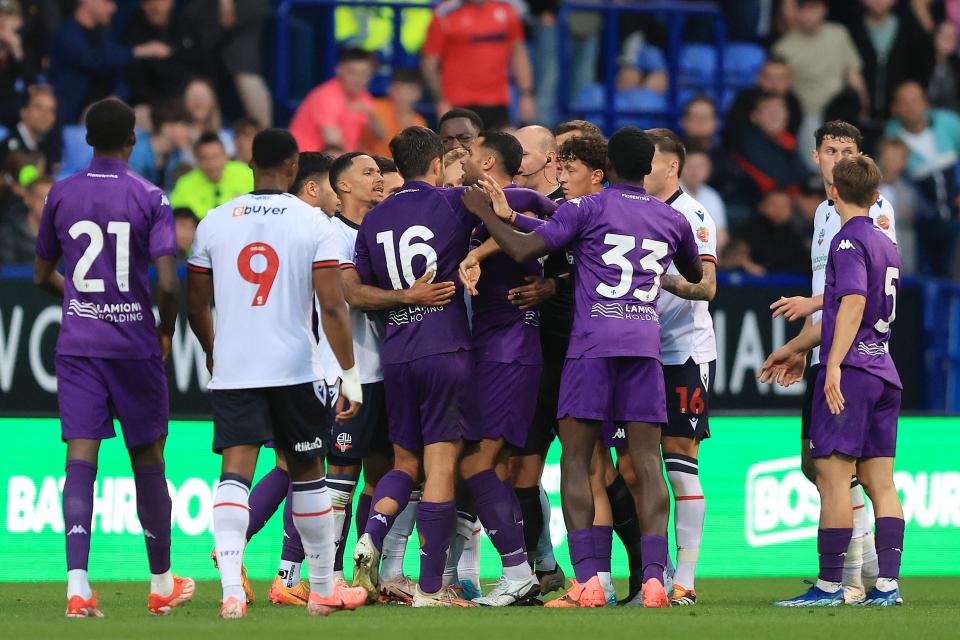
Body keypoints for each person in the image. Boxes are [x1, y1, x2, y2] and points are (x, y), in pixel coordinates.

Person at [461, 126, 703, 609]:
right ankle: (656, 580)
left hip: (592, 345)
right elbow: (694, 273)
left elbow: (528, 249)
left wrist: (486, 213)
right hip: (644, 346)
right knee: (647, 462)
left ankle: (589, 581)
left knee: (576, 458)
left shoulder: (588, 208)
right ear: (648, 167)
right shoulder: (671, 218)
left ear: (607, 168)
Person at [186, 128, 367, 619]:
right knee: (308, 474)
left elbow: (196, 305)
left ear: (250, 164)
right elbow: (332, 306)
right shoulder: (313, 223)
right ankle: (323, 589)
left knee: (234, 473)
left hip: (236, 369)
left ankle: (228, 591)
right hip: (293, 368)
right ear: (292, 167)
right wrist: (348, 373)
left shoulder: (215, 221)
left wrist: (212, 349)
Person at [32, 97, 192, 618]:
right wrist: (164, 330)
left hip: (79, 346)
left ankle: (77, 586)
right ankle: (161, 582)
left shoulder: (61, 191)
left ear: (87, 140)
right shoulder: (151, 196)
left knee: (80, 459)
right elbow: (168, 283)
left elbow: (40, 275)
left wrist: (81, 303)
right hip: (133, 346)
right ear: (132, 141)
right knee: (147, 455)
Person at [762, 120, 897, 603]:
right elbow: (832, 288)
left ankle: (849, 576)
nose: (838, 157)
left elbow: (857, 290)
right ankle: (872, 574)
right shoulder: (825, 213)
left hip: (851, 353)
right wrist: (804, 345)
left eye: (847, 150)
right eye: (830, 149)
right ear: (815, 156)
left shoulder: (873, 210)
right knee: (815, 464)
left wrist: (813, 321)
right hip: (830, 348)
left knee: (837, 469)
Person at [641, 129, 719, 607]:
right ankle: (657, 571)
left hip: (682, 353)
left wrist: (656, 278)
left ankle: (684, 580)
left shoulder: (692, 215)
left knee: (680, 465)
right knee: (633, 465)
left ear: (672, 167)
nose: (643, 171)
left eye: (651, 163)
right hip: (637, 350)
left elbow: (707, 286)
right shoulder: (632, 208)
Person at [49, 0, 172, 124]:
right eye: (107, 2)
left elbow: (120, 72)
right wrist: (138, 50)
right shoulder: (66, 35)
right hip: (73, 114)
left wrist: (116, 96)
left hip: (107, 108)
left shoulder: (103, 36)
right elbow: (95, 60)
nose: (113, 8)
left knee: (149, 116)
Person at [884, 80, 960, 276]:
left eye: (915, 100)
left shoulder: (949, 123)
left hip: (955, 221)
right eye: (904, 102)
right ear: (895, 108)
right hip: (920, 226)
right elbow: (890, 174)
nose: (911, 107)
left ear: (926, 103)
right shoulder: (893, 135)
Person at [421, 0, 535, 129]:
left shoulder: (507, 10)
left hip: (497, 103)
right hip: (458, 104)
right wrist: (441, 101)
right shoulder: (444, 14)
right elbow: (429, 64)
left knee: (504, 147)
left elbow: (518, 53)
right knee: (461, 149)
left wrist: (526, 94)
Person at [846, 0, 933, 121]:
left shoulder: (910, 29)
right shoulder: (850, 29)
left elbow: (921, 70)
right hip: (858, 115)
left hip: (900, 116)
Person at [289, 48, 376, 153]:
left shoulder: (364, 96)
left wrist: (372, 115)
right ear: (339, 70)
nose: (358, 79)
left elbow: (380, 137)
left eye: (364, 74)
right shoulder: (326, 96)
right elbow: (334, 145)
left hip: (333, 161)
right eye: (352, 72)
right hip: (306, 162)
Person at [733, 93, 810, 198]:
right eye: (768, 109)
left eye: (780, 108)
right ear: (754, 116)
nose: (775, 114)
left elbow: (803, 175)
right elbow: (783, 178)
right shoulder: (746, 142)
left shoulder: (787, 140)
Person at [121, 0, 194, 107]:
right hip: (150, 103)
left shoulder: (182, 24)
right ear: (145, 5)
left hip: (184, 96)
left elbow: (197, 63)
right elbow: (136, 81)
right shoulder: (133, 33)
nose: (164, 4)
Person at [169, 133, 254, 219]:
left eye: (216, 157)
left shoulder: (247, 174)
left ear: (225, 156)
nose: (212, 164)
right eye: (205, 158)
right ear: (197, 161)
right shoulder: (185, 184)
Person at [724, 55, 804, 147]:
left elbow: (791, 140)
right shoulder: (743, 101)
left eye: (780, 78)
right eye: (768, 78)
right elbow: (733, 136)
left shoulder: (794, 104)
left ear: (789, 80)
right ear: (758, 78)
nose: (774, 84)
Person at [360, 68, 428, 158]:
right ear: (389, 89)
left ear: (418, 93)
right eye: (399, 90)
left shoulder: (419, 122)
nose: (404, 95)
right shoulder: (374, 107)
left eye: (410, 90)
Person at [128, 99, 193, 192]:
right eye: (184, 125)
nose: (189, 133)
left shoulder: (176, 155)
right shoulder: (135, 153)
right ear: (166, 127)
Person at [0, 84, 60, 173]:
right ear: (23, 112)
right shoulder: (7, 149)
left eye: (51, 110)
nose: (45, 115)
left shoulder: (47, 148)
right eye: (38, 107)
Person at [680, 146, 728, 253]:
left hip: (704, 256)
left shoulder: (712, 195)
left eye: (700, 166)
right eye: (690, 165)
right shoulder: (668, 191)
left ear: (709, 169)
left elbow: (721, 234)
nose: (695, 171)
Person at [0, 171, 51, 264]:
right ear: (28, 199)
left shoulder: (67, 232)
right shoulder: (9, 232)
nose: (46, 203)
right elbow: (7, 271)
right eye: (40, 197)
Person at [514, 125, 562, 200]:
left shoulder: (572, 206)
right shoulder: (504, 202)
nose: (512, 162)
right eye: (511, 155)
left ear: (550, 158)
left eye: (523, 155)